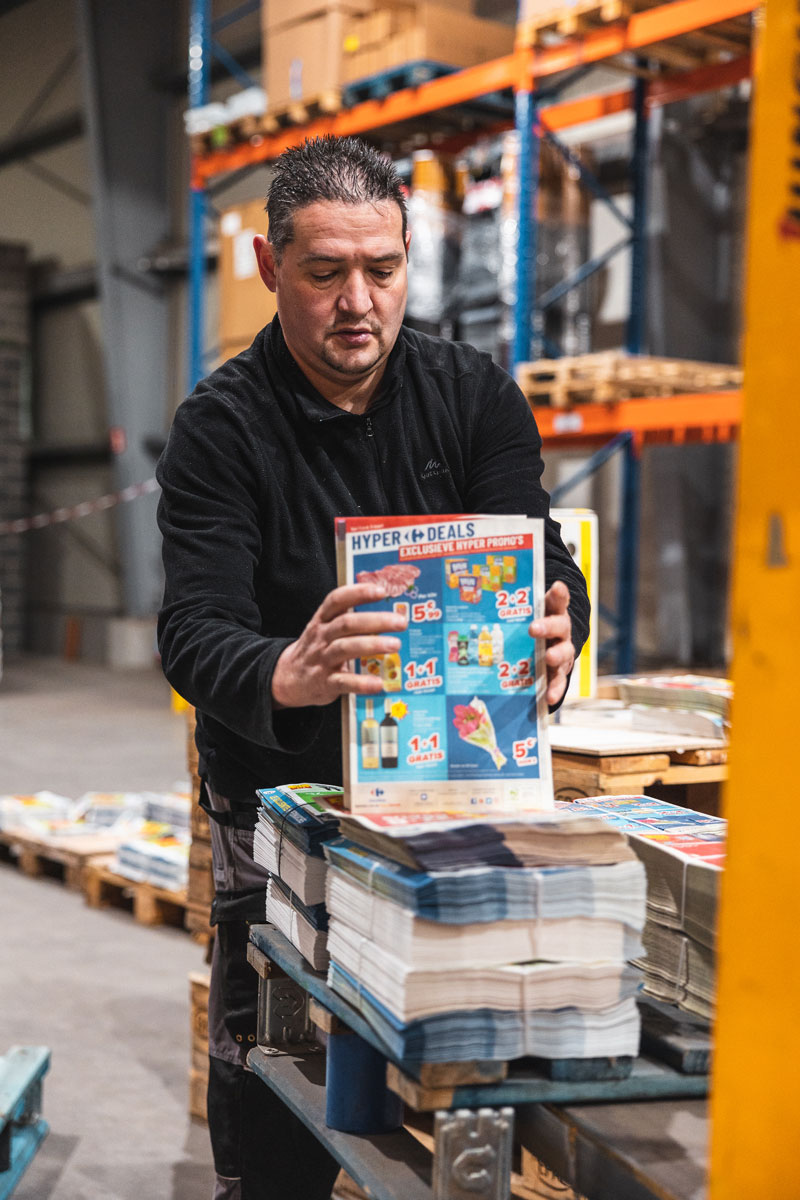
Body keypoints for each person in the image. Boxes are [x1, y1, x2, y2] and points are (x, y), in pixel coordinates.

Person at [157, 135, 590, 1200]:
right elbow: (193, 628)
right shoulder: (219, 429)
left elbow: (538, 551)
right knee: (273, 1063)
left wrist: (559, 621)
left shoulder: (473, 394)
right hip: (277, 794)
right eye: (325, 273)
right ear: (268, 266)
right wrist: (285, 670)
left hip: (450, 788)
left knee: (471, 1036)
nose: (359, 301)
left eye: (382, 271)